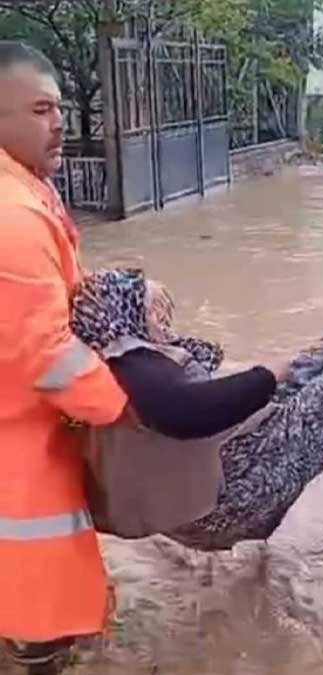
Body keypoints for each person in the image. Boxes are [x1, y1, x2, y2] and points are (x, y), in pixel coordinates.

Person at [66, 268, 323, 552]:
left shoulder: (92, 362)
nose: (164, 323)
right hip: (238, 485)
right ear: (126, 316)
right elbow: (182, 410)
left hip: (213, 488)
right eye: (154, 312)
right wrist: (268, 374)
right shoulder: (130, 361)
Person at [0, 42, 131, 675]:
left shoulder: (26, 193)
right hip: (21, 458)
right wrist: (122, 404)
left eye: (59, 109)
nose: (59, 123)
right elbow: (44, 353)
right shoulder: (13, 216)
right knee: (37, 618)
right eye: (41, 109)